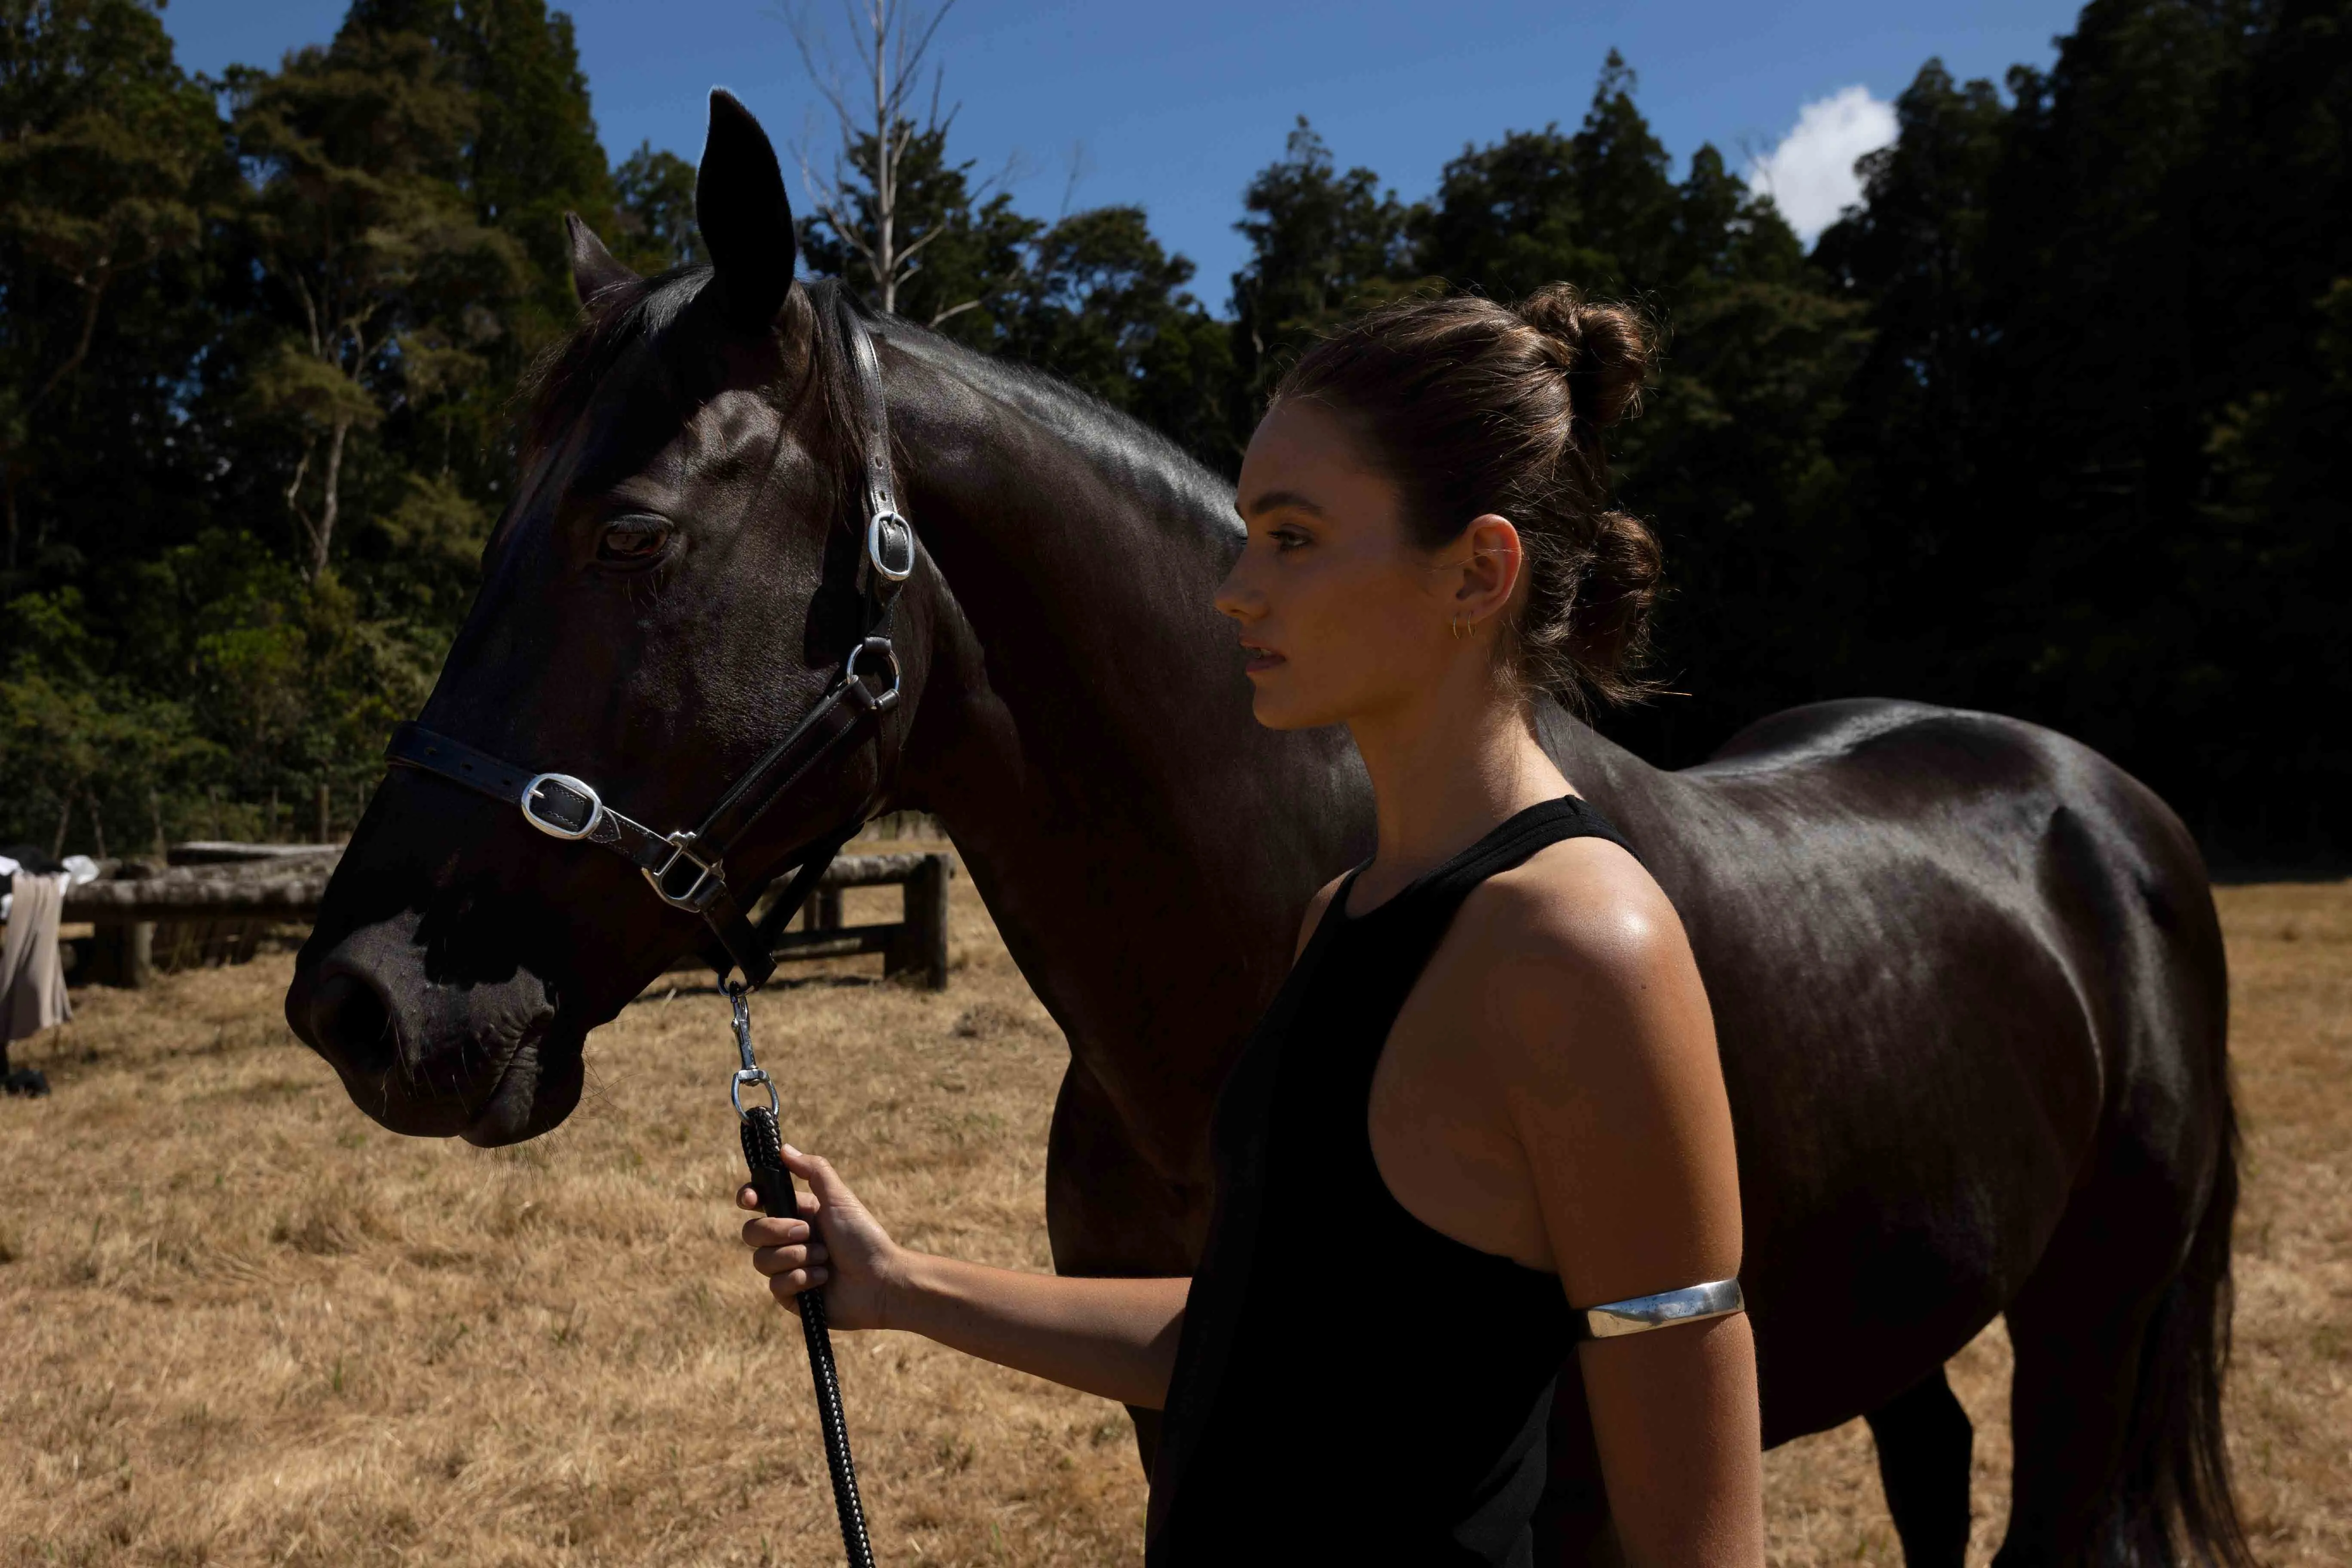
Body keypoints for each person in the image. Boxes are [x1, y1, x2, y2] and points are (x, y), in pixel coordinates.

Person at [738, 286, 1763, 1565]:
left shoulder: (1583, 951)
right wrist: (901, 1286)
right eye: (1246, 535)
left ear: (1478, 571)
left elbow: (1699, 1534)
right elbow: (1253, 1348)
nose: (1233, 591)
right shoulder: (1343, 915)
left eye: (1290, 539)